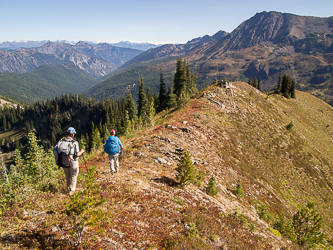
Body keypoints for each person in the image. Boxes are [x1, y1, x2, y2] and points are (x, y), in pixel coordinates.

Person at [53, 127, 84, 196]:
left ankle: (68, 189)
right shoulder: (74, 143)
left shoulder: (60, 141)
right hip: (73, 163)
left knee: (67, 176)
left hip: (64, 162)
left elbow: (54, 149)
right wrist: (82, 151)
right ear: (72, 134)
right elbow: (77, 154)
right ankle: (71, 191)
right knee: (73, 176)